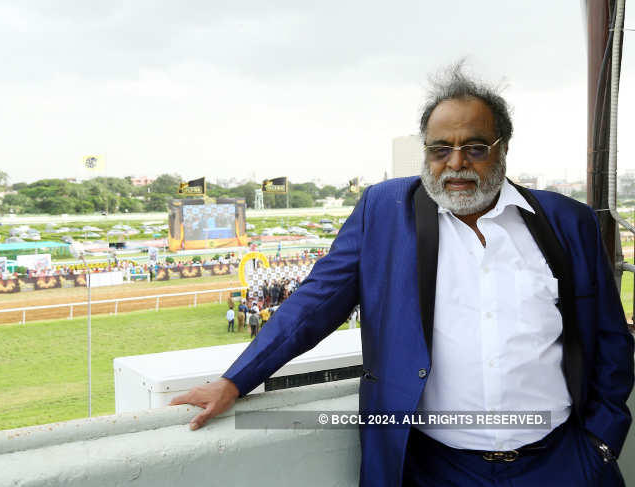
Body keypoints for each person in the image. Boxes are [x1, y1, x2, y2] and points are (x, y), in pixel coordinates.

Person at [170, 63, 634, 486]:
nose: (455, 164)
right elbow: (314, 305)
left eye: (474, 147)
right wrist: (235, 380)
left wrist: (600, 443)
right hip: (435, 468)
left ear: (503, 148)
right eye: (440, 149)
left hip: (561, 464)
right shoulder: (384, 212)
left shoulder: (565, 221)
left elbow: (611, 341)